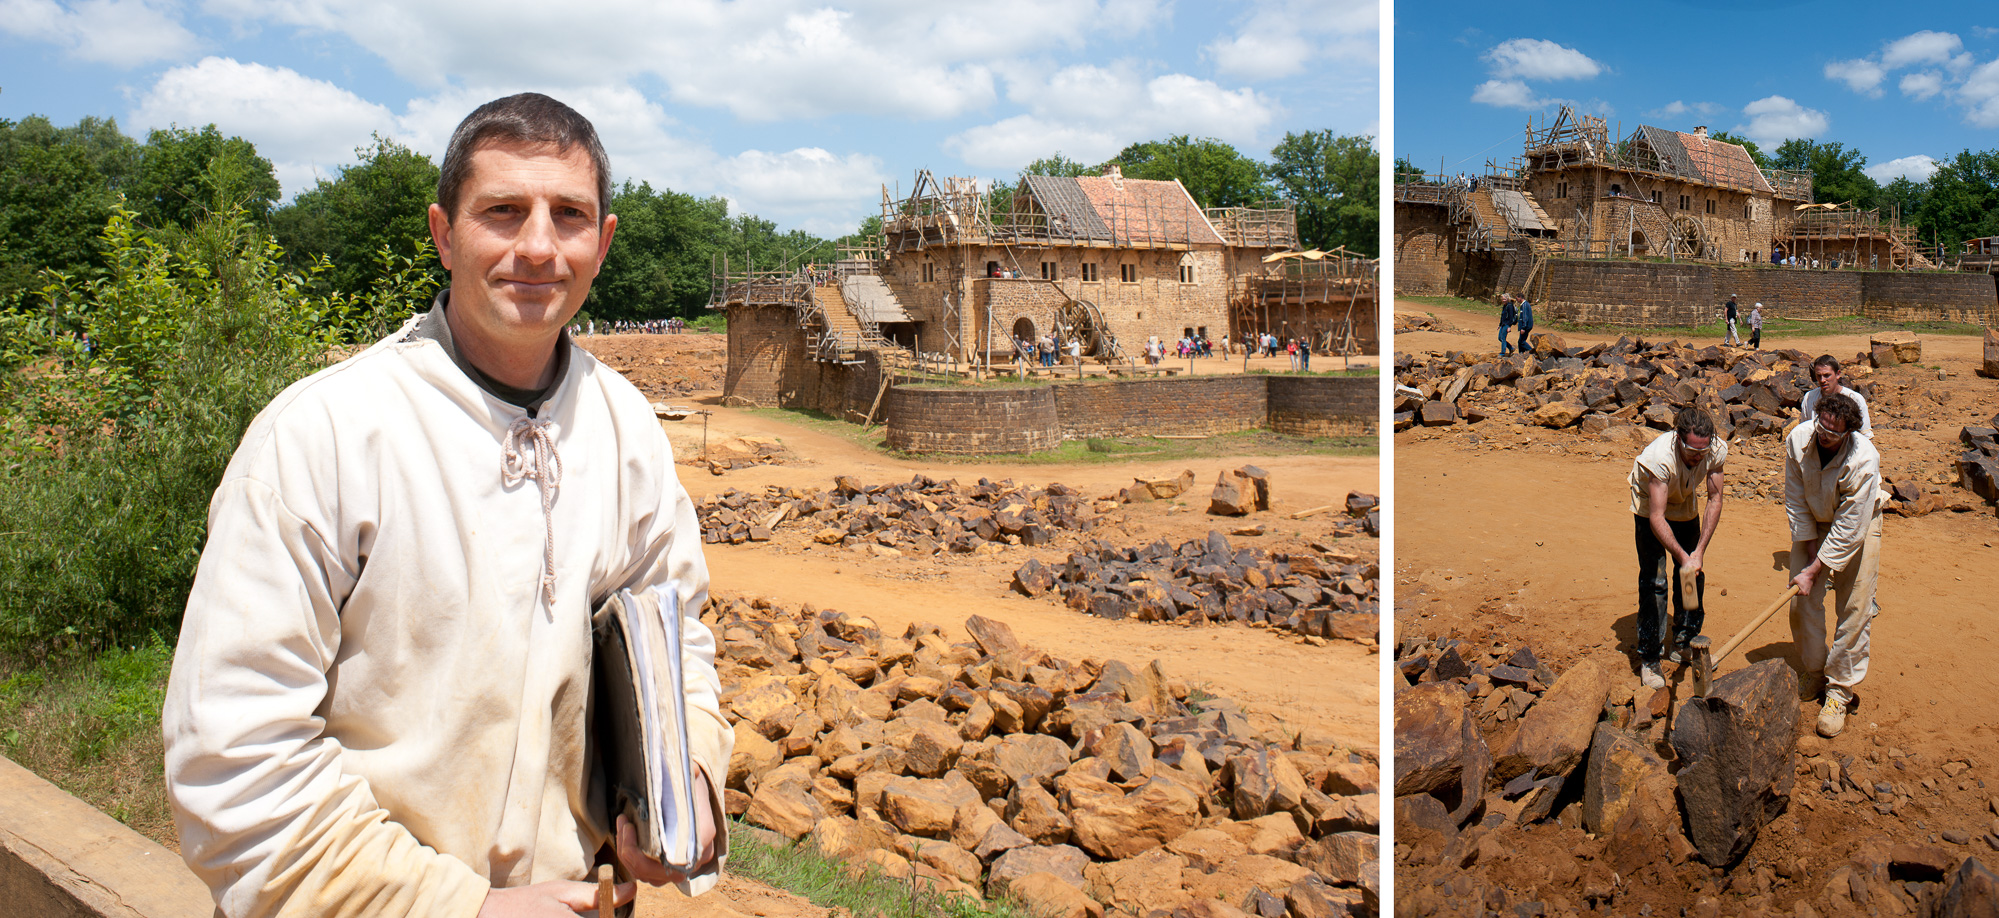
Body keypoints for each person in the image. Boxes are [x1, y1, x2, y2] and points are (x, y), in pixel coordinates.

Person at [162, 93, 730, 917]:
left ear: (601, 243)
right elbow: (232, 759)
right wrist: (459, 908)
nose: (538, 246)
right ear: (443, 233)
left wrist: (685, 778)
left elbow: (675, 640)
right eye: (503, 211)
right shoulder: (323, 436)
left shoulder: (626, 429)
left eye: (568, 215)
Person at [1784, 392, 1885, 738]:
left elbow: (1849, 528)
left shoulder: (1863, 459)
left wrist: (1817, 570)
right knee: (1801, 604)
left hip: (1860, 524)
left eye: (1832, 433)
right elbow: (1796, 498)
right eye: (1820, 427)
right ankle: (1815, 671)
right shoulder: (1798, 440)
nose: (1823, 435)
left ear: (1849, 434)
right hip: (1814, 519)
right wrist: (1810, 552)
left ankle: (1840, 690)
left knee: (1855, 607)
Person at [1627, 407, 1727, 689]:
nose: (1698, 456)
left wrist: (1697, 553)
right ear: (1678, 440)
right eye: (1691, 450)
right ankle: (1650, 656)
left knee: (1691, 576)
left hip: (1682, 500)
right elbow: (1657, 517)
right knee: (1654, 580)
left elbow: (1715, 499)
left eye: (1703, 450)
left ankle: (1684, 642)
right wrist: (1682, 556)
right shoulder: (1659, 459)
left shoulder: (1715, 451)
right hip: (1651, 503)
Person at [1799, 355, 1872, 438]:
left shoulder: (1855, 398)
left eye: (1827, 375)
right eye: (1819, 376)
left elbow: (1865, 434)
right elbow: (1804, 431)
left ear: (1838, 374)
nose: (1822, 380)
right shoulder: (1809, 397)